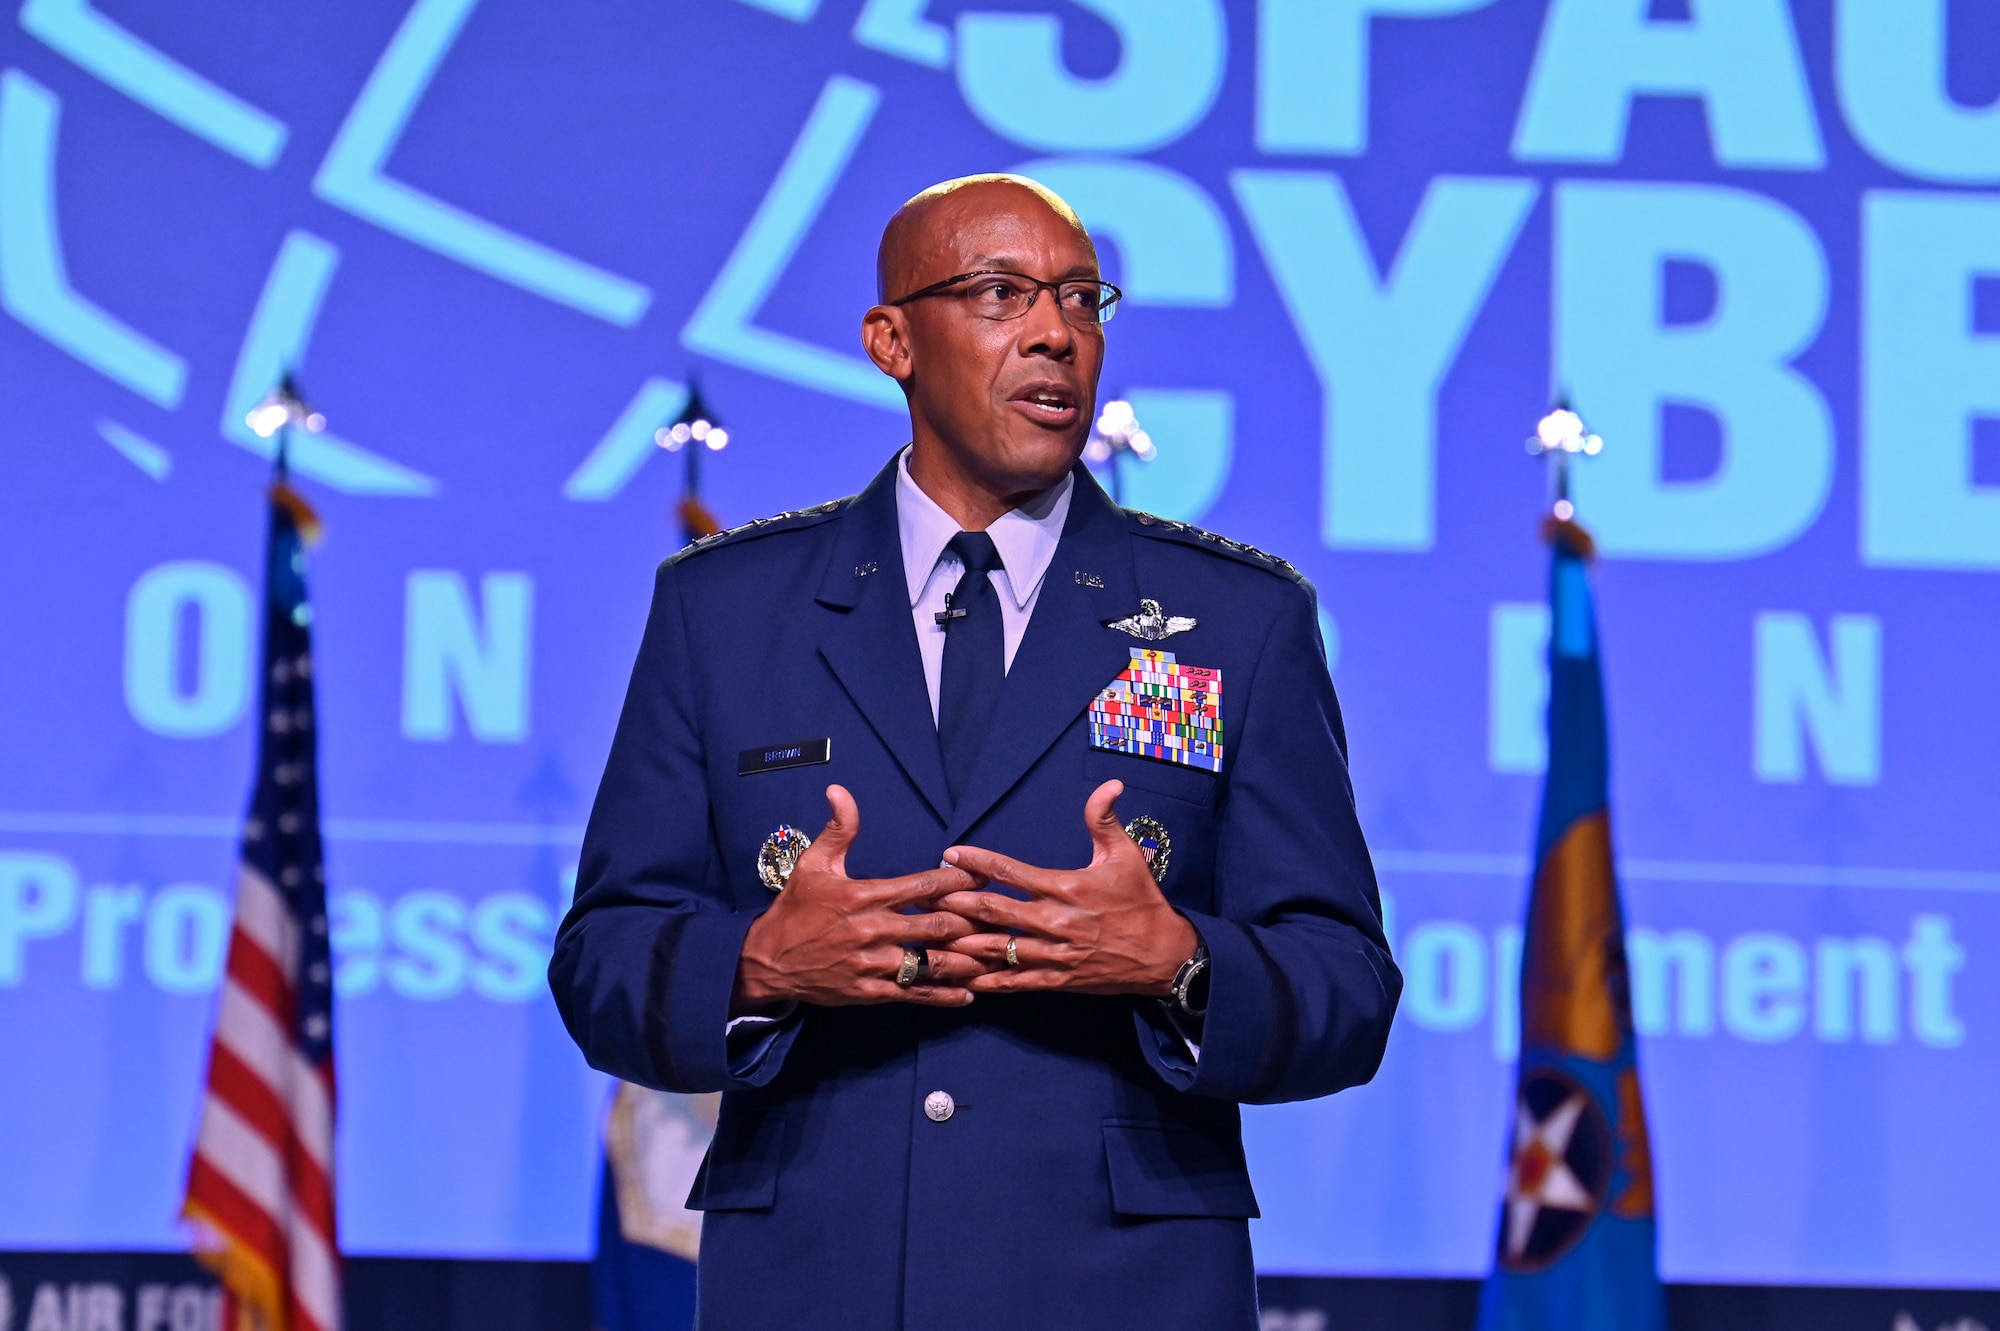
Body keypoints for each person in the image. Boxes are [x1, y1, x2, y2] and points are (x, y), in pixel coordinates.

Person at [549, 174, 1400, 1330]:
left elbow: (1345, 983)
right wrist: (757, 963)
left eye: (1081, 299)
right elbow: (603, 957)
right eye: (1000, 293)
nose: (1055, 331)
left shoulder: (1236, 618)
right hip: (813, 1282)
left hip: (1120, 1294)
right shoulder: (728, 610)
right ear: (891, 340)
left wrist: (1176, 960)